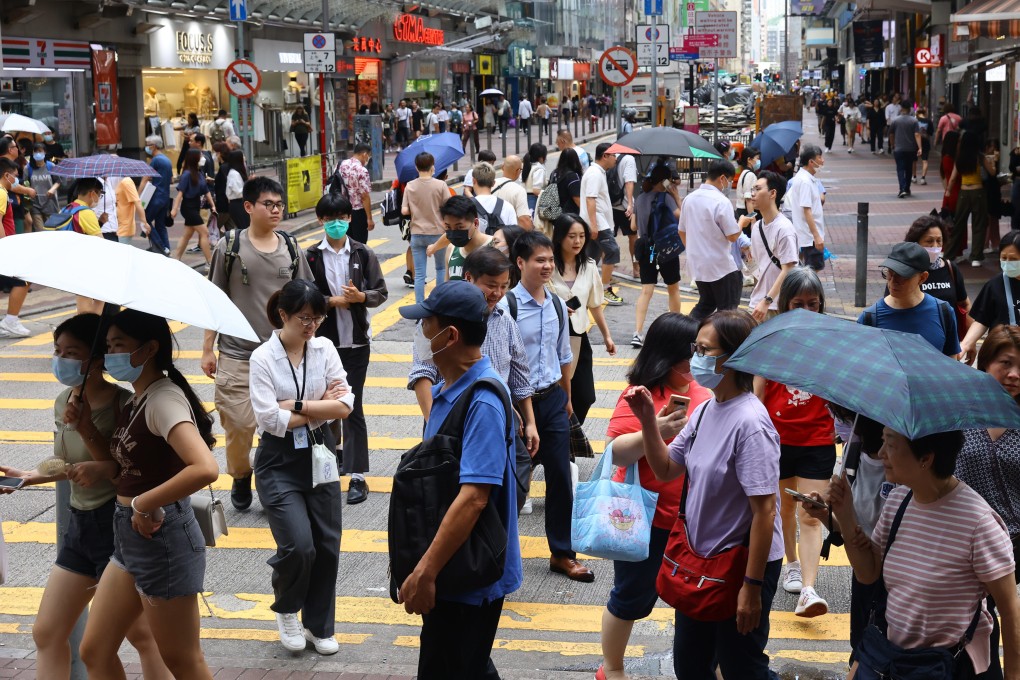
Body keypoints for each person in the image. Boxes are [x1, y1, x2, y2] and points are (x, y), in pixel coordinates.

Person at [0, 314, 171, 680]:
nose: (61, 359)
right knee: (47, 632)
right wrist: (31, 477)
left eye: (72, 352)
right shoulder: (65, 401)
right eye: (57, 350)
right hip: (80, 526)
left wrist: (101, 461)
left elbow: (133, 470)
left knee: (139, 636)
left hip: (116, 526)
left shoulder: (125, 404)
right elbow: (69, 462)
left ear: (96, 360)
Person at [618, 310, 785, 679]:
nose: (695, 357)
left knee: (743, 666)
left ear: (735, 358)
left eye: (704, 350)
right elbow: (665, 469)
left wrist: (752, 588)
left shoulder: (751, 424)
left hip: (742, 564)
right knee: (691, 664)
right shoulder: (707, 408)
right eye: (695, 347)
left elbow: (765, 513)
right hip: (699, 557)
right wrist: (648, 420)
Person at [76, 309, 219, 680]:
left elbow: (204, 468)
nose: (110, 356)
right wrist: (86, 426)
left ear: (149, 348)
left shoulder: (162, 400)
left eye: (119, 346)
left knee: (182, 660)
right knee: (94, 650)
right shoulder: (140, 398)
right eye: (107, 347)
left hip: (162, 539)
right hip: (129, 536)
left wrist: (144, 503)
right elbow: (123, 468)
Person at [396, 280, 523, 680]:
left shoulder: (482, 400)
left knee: (450, 667)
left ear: (450, 336)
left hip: (470, 572)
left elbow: (474, 499)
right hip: (453, 564)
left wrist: (426, 571)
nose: (421, 334)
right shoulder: (448, 389)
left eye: (426, 325)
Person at [825, 427, 1019, 680]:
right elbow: (868, 573)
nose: (881, 453)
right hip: (896, 661)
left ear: (925, 459)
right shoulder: (898, 502)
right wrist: (844, 513)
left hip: (946, 666)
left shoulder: (979, 524)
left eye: (891, 446)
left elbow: (1010, 610)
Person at [593, 313, 711, 680]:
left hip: (692, 521)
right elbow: (615, 451)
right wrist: (654, 426)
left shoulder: (706, 392)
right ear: (671, 355)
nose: (701, 358)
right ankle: (611, 668)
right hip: (642, 519)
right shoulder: (640, 395)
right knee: (630, 597)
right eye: (696, 350)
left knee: (694, 601)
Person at [249, 280, 353, 653]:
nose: (311, 327)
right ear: (283, 315)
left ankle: (319, 625)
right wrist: (317, 406)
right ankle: (288, 607)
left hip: (320, 455)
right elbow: (268, 419)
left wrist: (296, 406)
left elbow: (345, 404)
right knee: (299, 546)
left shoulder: (324, 349)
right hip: (278, 461)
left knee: (327, 544)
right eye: (304, 319)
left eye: (317, 319)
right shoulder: (262, 358)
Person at [205, 177, 314, 510]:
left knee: (280, 427)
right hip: (237, 355)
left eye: (280, 204)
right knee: (238, 425)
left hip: (282, 355)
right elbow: (214, 298)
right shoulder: (230, 247)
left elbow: (308, 300)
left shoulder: (291, 248)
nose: (276, 210)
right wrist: (208, 347)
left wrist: (309, 345)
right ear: (249, 207)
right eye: (269, 204)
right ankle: (241, 474)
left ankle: (272, 484)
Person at [407, 247, 537, 514]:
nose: (498, 293)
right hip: (447, 416)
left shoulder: (504, 319)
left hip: (496, 413)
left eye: (504, 286)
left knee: (496, 492)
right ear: (468, 278)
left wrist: (528, 419)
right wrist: (437, 424)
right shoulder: (437, 318)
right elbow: (422, 372)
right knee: (451, 492)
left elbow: (519, 374)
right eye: (491, 285)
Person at [498, 231, 593, 581]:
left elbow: (562, 354)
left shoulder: (555, 303)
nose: (547, 265)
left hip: (551, 399)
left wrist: (566, 396)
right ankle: (497, 553)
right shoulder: (506, 306)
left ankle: (562, 553)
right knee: (511, 480)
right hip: (514, 404)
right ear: (520, 263)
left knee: (560, 476)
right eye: (539, 260)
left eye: (550, 259)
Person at [752, 268, 834, 618]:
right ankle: (792, 564)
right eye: (797, 303)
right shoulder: (769, 339)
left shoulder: (831, 340)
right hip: (777, 439)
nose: (805, 309)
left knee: (811, 514)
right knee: (783, 509)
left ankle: (810, 589)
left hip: (818, 439)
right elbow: (756, 391)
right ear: (784, 305)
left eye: (812, 304)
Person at [305, 194, 387, 505]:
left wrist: (361, 297)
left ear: (349, 219)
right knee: (324, 407)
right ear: (320, 220)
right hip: (322, 346)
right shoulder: (311, 256)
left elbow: (380, 292)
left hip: (356, 344)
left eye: (342, 216)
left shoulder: (363, 253)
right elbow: (302, 295)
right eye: (330, 218)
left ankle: (357, 475)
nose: (337, 223)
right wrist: (332, 302)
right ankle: (329, 464)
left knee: (352, 406)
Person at [957, 324, 1020, 678]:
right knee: (975, 622)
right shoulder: (961, 412)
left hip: (1014, 544)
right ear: (985, 364)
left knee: (1004, 618)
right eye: (1005, 364)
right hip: (963, 541)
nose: (1014, 375)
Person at [549, 214, 616, 424]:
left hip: (578, 336)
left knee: (585, 396)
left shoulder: (588, 265)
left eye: (581, 236)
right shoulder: (547, 265)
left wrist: (607, 336)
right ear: (560, 237)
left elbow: (595, 304)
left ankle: (569, 438)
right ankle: (559, 441)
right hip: (552, 337)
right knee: (556, 394)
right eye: (571, 236)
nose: (577, 241)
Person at [859, 241, 961, 357]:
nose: (893, 282)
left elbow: (952, 363)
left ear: (922, 278)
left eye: (902, 276)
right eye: (889, 273)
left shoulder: (944, 312)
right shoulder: (869, 318)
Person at [679, 159, 750, 320]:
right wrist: (742, 222)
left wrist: (693, 250)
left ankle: (688, 334)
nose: (729, 185)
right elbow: (732, 236)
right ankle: (723, 342)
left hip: (698, 264)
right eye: (730, 181)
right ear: (722, 178)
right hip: (722, 266)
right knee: (728, 311)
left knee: (706, 304)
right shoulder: (721, 201)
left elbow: (681, 231)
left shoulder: (689, 199)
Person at [632, 166, 684, 348]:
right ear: (664, 181)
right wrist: (677, 196)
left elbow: (633, 227)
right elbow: (682, 218)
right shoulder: (667, 198)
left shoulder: (639, 199)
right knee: (673, 288)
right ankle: (676, 329)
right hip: (665, 248)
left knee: (646, 290)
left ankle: (637, 333)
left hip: (647, 249)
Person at [961, 230, 1020, 364]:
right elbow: (982, 320)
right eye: (1003, 258)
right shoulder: (994, 285)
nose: (1007, 263)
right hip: (1001, 356)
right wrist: (967, 343)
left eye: (1014, 259)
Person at [900, 214, 970, 327]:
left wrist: (968, 341)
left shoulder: (950, 268)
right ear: (916, 243)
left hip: (949, 339)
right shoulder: (904, 271)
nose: (935, 246)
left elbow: (964, 303)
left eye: (939, 241)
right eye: (929, 241)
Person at [748, 171, 799, 322]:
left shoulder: (784, 229)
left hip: (776, 306)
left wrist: (767, 300)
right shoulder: (757, 226)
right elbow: (758, 267)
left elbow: (788, 269)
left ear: (772, 193)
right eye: (753, 189)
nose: (752, 194)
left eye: (757, 189)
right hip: (757, 304)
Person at [401, 152, 451, 303]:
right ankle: (439, 302)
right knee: (441, 269)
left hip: (417, 233)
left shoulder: (410, 186)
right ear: (433, 166)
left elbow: (404, 211)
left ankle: (420, 305)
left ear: (416, 167)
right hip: (437, 232)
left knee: (420, 274)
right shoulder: (441, 185)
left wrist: (415, 209)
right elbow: (449, 206)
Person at [580, 143, 624, 305]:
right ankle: (605, 289)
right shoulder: (594, 174)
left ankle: (582, 289)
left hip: (599, 222)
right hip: (598, 223)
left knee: (590, 258)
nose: (616, 159)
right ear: (605, 155)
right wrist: (593, 225)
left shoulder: (598, 172)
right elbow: (590, 199)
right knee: (612, 251)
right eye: (614, 155)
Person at [946, 131, 989, 267]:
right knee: (978, 224)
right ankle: (976, 257)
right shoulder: (980, 157)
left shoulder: (960, 158)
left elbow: (953, 178)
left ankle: (949, 255)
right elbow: (992, 172)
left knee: (958, 224)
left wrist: (948, 192)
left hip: (963, 193)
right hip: (978, 192)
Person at [0, 159, 31, 337]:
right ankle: (10, 321)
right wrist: (4, 248)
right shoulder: (2, 194)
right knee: (23, 279)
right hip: (4, 248)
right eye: (15, 176)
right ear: (6, 175)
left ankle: (10, 321)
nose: (16, 179)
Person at [170, 148, 216, 264]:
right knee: (204, 233)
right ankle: (210, 262)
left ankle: (176, 259)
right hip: (188, 207)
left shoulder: (199, 173)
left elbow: (206, 191)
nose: (203, 159)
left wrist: (213, 206)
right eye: (200, 156)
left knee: (187, 235)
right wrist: (174, 209)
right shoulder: (186, 175)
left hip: (196, 206)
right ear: (194, 158)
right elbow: (180, 194)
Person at [786, 145, 826, 271]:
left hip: (810, 236)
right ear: (811, 162)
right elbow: (806, 210)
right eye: (820, 157)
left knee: (810, 270)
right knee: (813, 271)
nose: (823, 160)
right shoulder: (804, 181)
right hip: (810, 237)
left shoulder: (807, 179)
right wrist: (816, 236)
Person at [337, 143, 375, 244]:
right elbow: (365, 196)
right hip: (358, 212)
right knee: (359, 244)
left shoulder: (341, 165)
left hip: (343, 210)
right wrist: (369, 219)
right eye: (369, 155)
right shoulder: (362, 170)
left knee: (347, 243)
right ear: (364, 154)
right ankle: (358, 260)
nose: (368, 158)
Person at [143, 135, 173, 256]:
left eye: (148, 144)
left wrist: (139, 195)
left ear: (154, 146)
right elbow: (170, 179)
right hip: (165, 197)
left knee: (145, 221)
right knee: (160, 224)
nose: (146, 147)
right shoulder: (167, 160)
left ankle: (160, 246)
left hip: (155, 197)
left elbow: (145, 178)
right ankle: (166, 248)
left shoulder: (155, 160)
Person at [469, 162, 518, 235]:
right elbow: (514, 235)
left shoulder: (466, 206)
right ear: (493, 183)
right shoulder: (507, 206)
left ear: (473, 180)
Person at [612, 152, 639, 278]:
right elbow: (629, 182)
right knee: (633, 236)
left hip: (610, 204)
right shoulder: (629, 159)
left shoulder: (610, 157)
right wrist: (630, 204)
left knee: (607, 237)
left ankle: (608, 273)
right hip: (623, 205)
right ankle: (636, 269)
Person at [888, 100, 921, 199]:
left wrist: (893, 144)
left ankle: (902, 189)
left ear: (901, 108)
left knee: (900, 169)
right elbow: (917, 134)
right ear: (910, 108)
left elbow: (891, 134)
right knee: (909, 168)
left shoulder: (895, 120)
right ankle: (907, 188)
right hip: (911, 149)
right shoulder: (914, 121)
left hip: (899, 149)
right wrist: (920, 147)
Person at [494, 156, 534, 231]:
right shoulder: (519, 190)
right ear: (518, 171)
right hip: (508, 235)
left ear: (502, 167)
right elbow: (524, 220)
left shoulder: (490, 184)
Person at [26, 142, 60, 231]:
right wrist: (29, 191)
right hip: (35, 204)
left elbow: (58, 181)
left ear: (44, 152)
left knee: (52, 230)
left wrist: (52, 189)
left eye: (40, 151)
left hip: (50, 203)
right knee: (40, 231)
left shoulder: (51, 166)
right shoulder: (28, 168)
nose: (38, 154)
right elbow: (24, 183)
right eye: (35, 151)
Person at [549, 148, 584, 216]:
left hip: (555, 213)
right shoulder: (573, 176)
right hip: (569, 216)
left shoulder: (554, 173)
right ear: (575, 160)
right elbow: (577, 198)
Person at [115, 176, 148, 246]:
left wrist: (144, 222)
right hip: (117, 225)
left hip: (124, 228)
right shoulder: (118, 180)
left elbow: (137, 202)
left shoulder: (126, 182)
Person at [224, 149, 250, 230]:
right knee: (244, 227)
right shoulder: (234, 174)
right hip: (237, 203)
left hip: (239, 203)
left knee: (245, 227)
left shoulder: (236, 173)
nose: (244, 158)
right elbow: (239, 192)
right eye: (242, 156)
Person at [735, 147, 761, 224]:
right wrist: (753, 221)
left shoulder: (744, 173)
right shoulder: (750, 175)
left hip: (742, 211)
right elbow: (748, 200)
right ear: (749, 160)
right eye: (757, 158)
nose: (758, 161)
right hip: (746, 212)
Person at [941, 129, 962, 224]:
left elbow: (944, 180)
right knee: (958, 226)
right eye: (958, 141)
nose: (960, 144)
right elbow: (953, 179)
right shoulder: (953, 160)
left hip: (949, 195)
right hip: (956, 195)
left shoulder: (945, 158)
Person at [523, 143, 548, 215]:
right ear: (541, 157)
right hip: (534, 200)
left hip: (525, 199)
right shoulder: (539, 169)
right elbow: (536, 190)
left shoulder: (527, 166)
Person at [913, 106, 933, 185]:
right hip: (925, 141)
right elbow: (931, 133)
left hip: (915, 142)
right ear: (925, 113)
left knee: (914, 160)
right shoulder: (929, 121)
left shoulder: (914, 120)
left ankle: (914, 177)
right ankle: (923, 178)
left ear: (917, 113)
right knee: (925, 161)